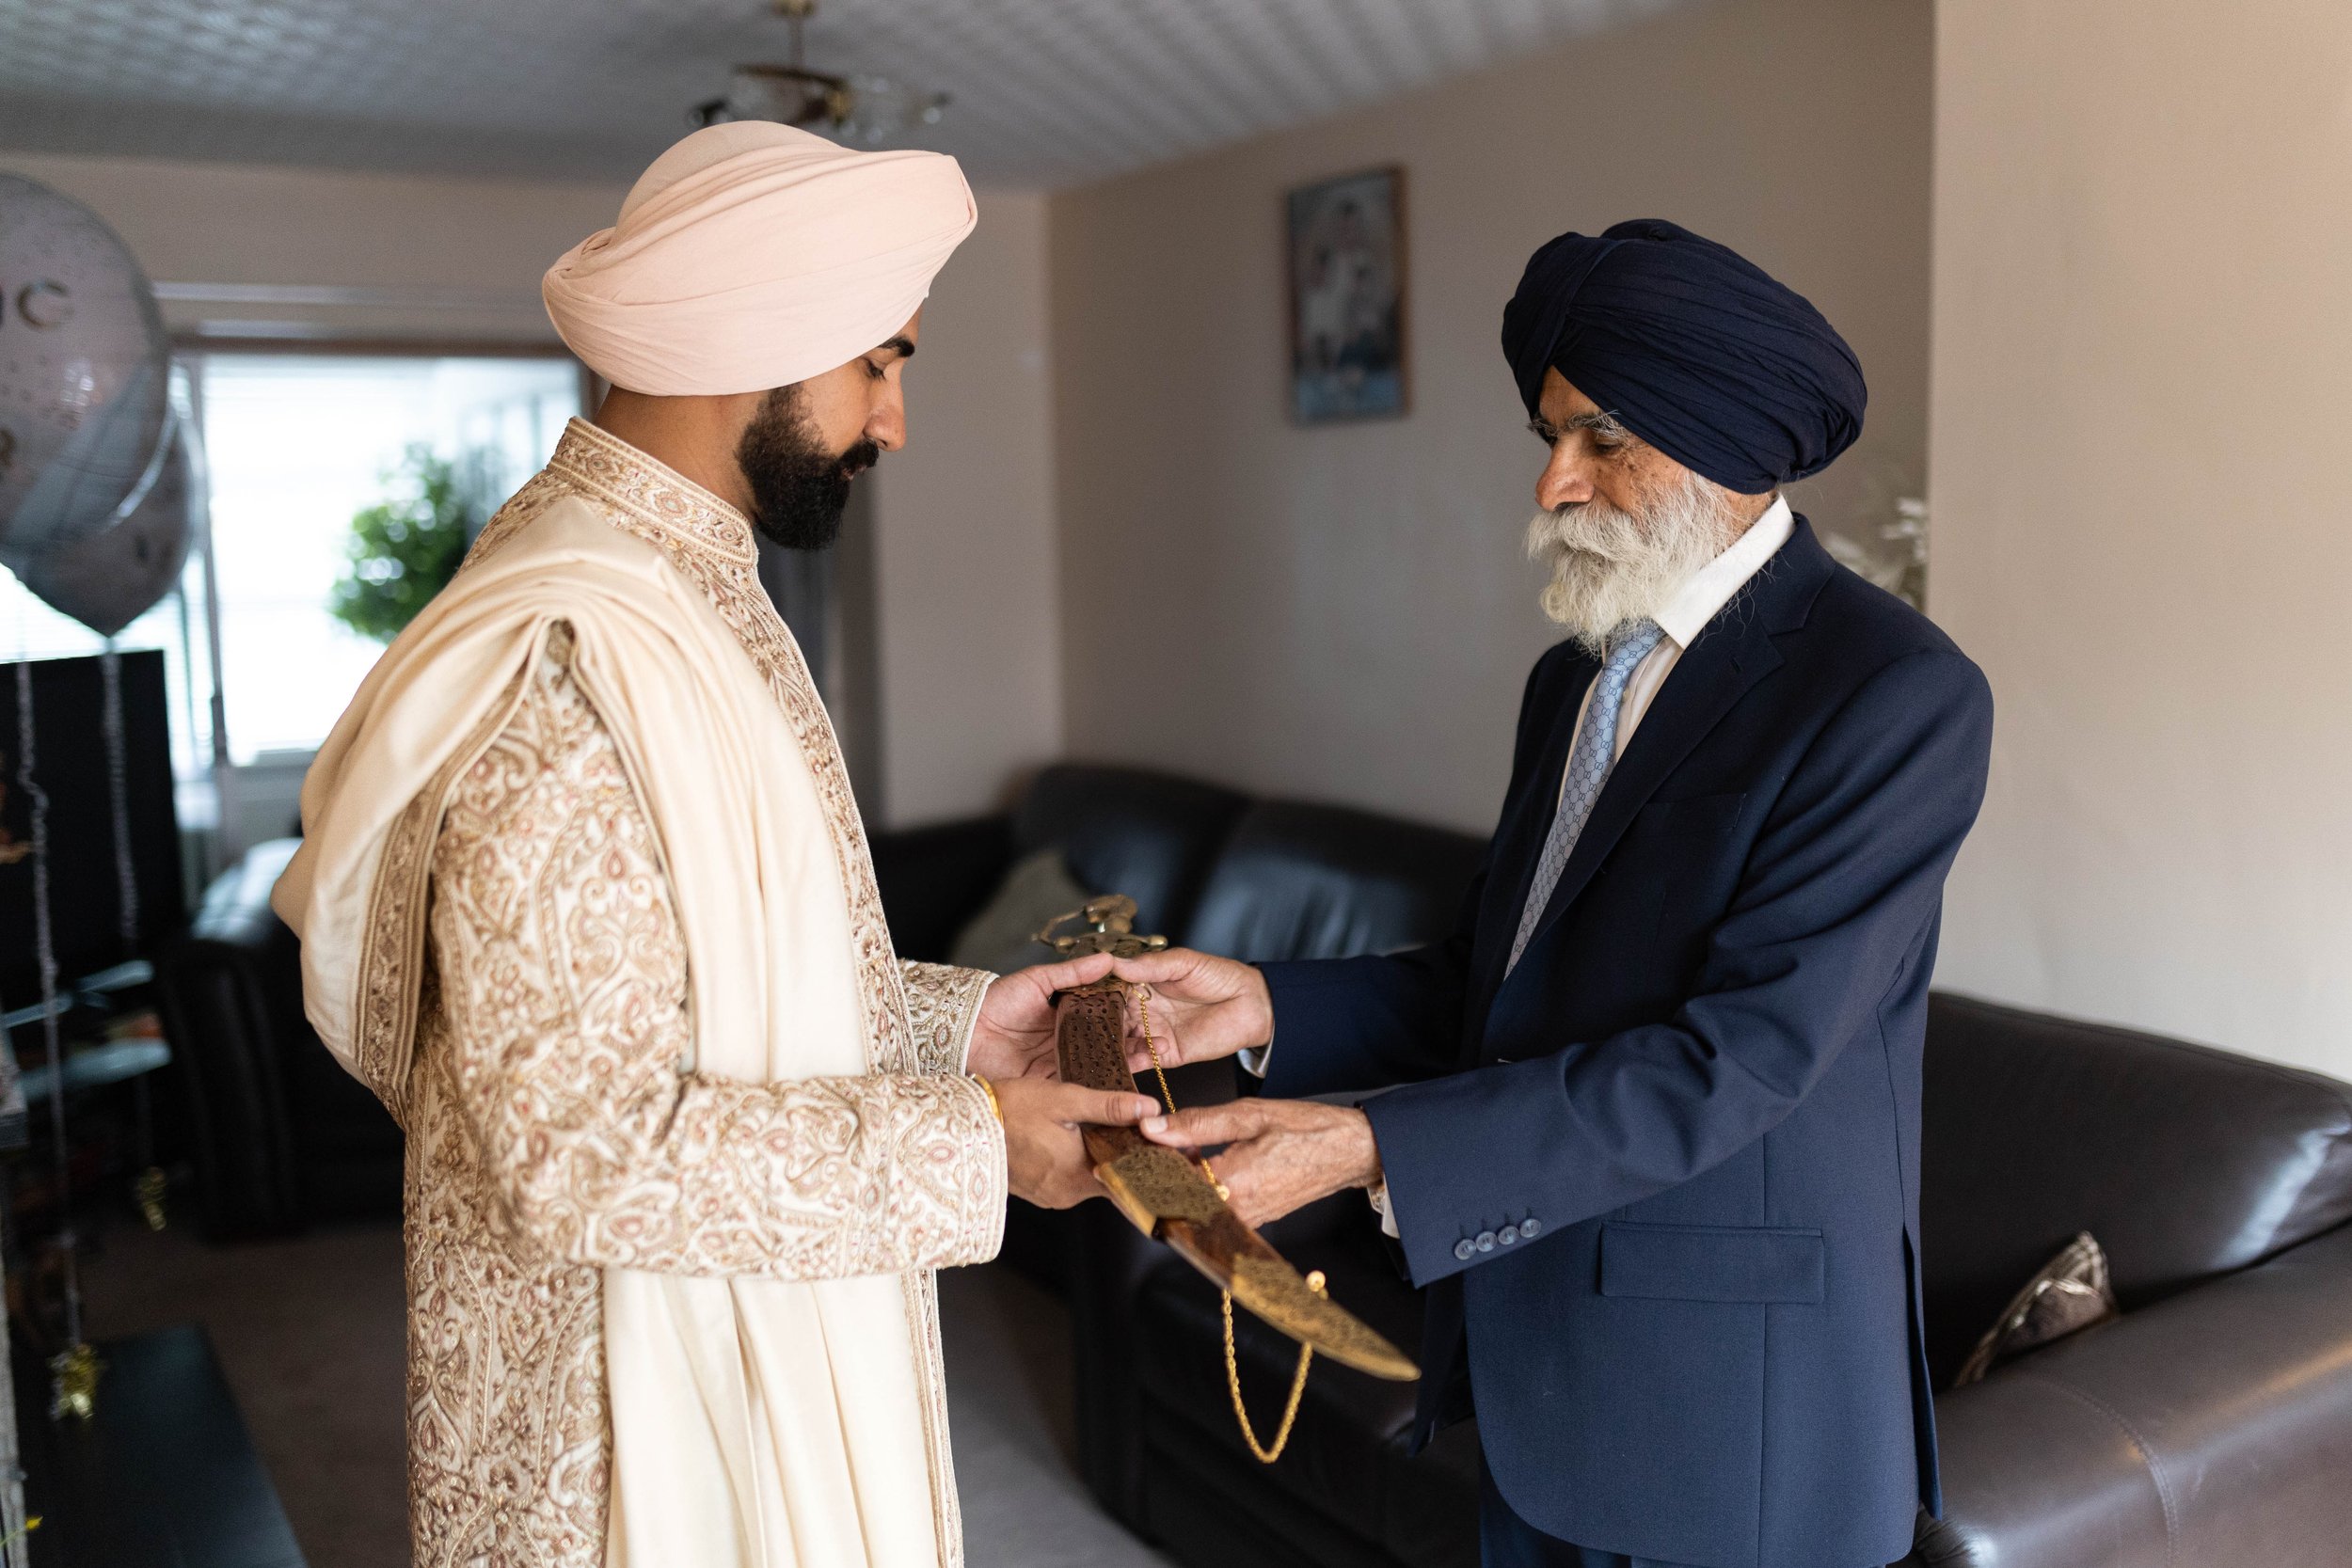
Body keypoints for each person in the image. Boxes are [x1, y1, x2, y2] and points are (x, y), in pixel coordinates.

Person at [272, 122, 1154, 1568]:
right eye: (883, 362)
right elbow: (587, 1156)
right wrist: (980, 1150)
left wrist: (965, 1030)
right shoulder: (566, 651)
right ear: (767, 335)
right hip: (620, 1445)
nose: (894, 422)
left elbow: (742, 985)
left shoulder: (687, 588)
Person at [1111, 219, 1994, 1568]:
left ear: (1729, 442)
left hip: (1733, 1424)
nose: (1551, 485)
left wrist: (1371, 1147)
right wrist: (1261, 1005)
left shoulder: (1893, 695)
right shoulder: (1572, 682)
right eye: (1550, 435)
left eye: (1599, 440)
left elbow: (1738, 1061)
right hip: (1535, 1372)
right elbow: (1501, 980)